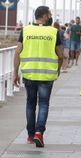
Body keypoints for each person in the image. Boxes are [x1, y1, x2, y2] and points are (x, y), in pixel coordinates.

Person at [13, 6, 63, 147]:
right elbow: (61, 56)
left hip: (29, 74)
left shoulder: (26, 30)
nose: (51, 16)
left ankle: (30, 135)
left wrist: (15, 73)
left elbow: (17, 52)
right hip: (47, 75)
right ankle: (39, 133)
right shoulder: (54, 32)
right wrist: (57, 70)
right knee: (44, 104)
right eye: (50, 14)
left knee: (30, 104)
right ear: (45, 16)